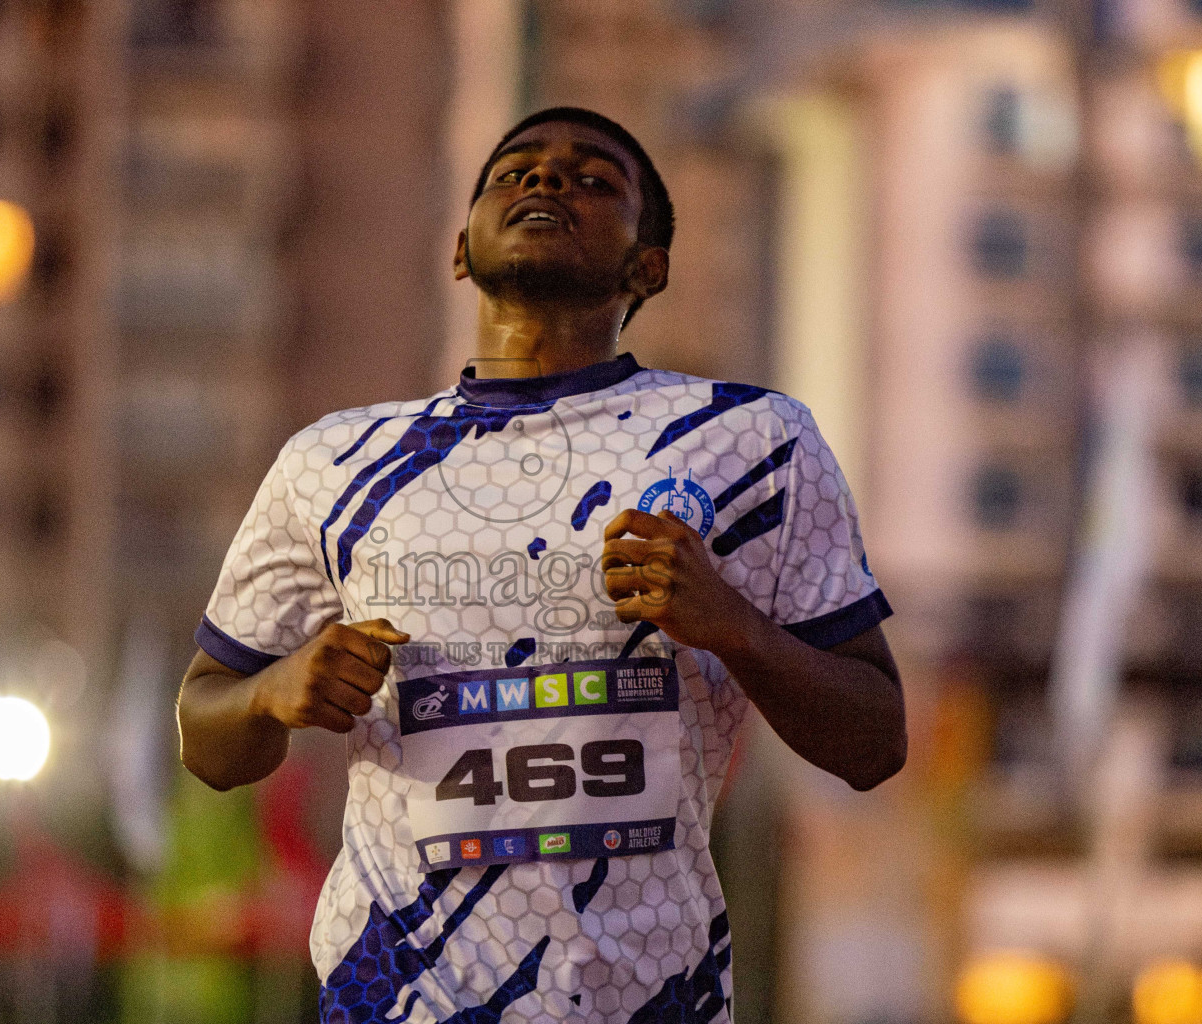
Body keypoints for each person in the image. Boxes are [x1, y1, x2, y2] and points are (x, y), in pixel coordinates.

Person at [178, 106, 906, 1024]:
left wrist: (732, 626)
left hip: (644, 1003)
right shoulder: (333, 463)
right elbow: (205, 734)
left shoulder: (752, 442)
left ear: (650, 266)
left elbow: (877, 742)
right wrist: (271, 691)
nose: (546, 182)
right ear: (460, 248)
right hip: (396, 1003)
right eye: (512, 173)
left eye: (594, 179)